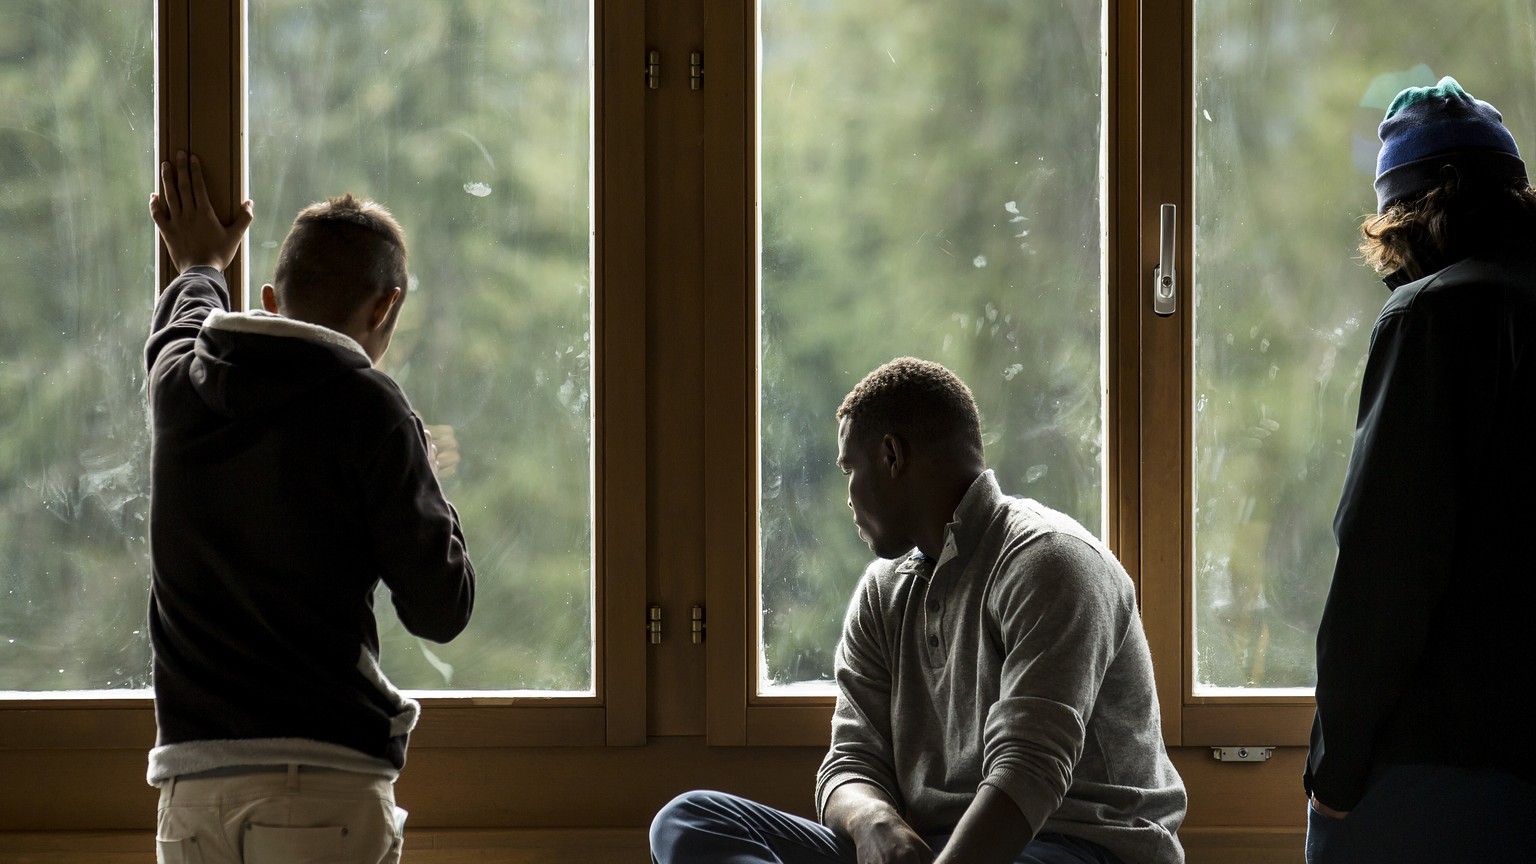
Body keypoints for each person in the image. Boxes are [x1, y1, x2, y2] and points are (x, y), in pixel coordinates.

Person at [652, 358, 1185, 864]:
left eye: (848, 469)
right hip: (938, 851)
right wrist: (874, 822)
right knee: (690, 821)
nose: (847, 495)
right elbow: (849, 762)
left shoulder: (1051, 563)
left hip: (1075, 846)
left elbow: (1028, 773)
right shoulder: (883, 591)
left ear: (891, 456)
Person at [144, 152, 476, 864]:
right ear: (386, 306)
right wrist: (418, 459)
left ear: (270, 298)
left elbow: (182, 323)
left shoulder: (179, 385)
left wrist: (199, 261)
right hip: (321, 783)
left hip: (191, 790)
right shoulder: (371, 409)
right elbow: (441, 608)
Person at [1304, 77, 1536, 862]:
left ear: (1406, 218)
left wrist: (1333, 774)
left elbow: (1385, 565)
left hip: (1440, 766)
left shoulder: (1432, 316)